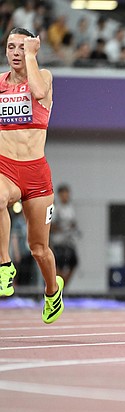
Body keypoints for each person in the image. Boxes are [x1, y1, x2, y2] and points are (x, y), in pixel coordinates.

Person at [0, 27, 64, 323]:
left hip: (37, 174)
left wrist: (31, 56)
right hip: (6, 168)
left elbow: (38, 92)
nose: (15, 53)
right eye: (11, 47)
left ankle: (53, 292)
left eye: (20, 48)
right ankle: (4, 266)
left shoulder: (45, 77)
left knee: (39, 249)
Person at [50, 183, 79, 286]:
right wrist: (62, 228)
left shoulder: (71, 208)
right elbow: (51, 225)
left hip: (69, 241)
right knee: (59, 264)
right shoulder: (56, 208)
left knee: (73, 263)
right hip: (58, 241)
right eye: (63, 194)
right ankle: (58, 284)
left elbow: (73, 222)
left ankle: (64, 284)